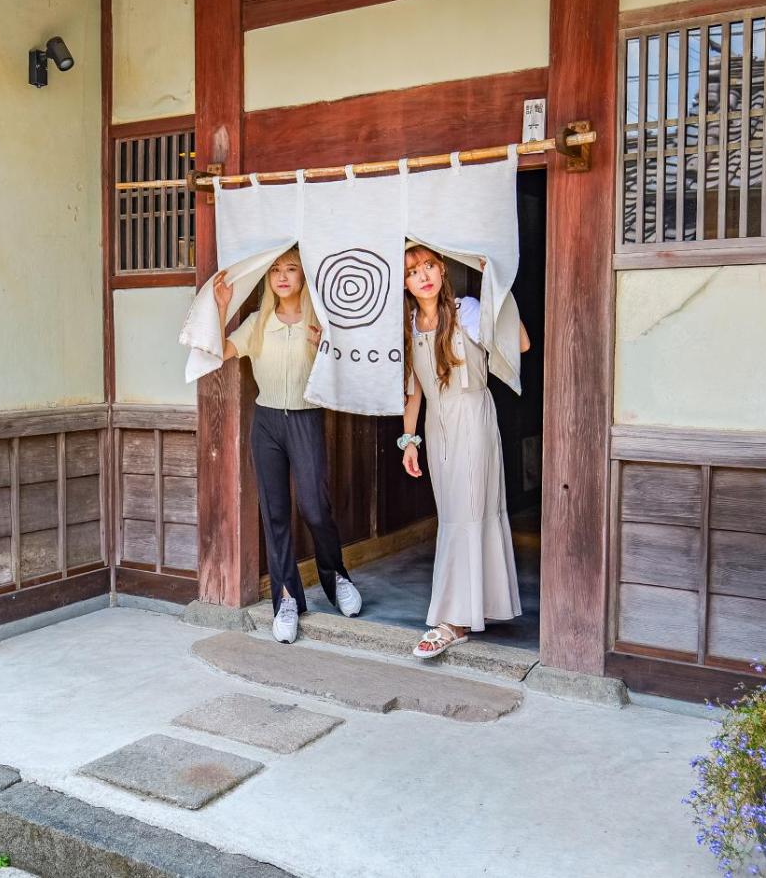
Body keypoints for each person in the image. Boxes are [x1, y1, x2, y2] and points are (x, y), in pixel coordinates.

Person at [213, 248, 362, 643]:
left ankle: (336, 576)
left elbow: (350, 369)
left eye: (291, 269)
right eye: (276, 270)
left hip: (305, 418)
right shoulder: (257, 323)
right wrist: (222, 308)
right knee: (275, 512)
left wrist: (328, 347)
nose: (282, 276)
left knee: (314, 507)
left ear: (303, 276)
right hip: (266, 423)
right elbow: (219, 351)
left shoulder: (320, 323)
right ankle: (286, 598)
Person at [399, 242, 529, 658]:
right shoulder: (408, 325)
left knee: (468, 512)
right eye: (412, 272)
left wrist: (496, 289)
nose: (423, 276)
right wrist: (409, 440)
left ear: (442, 269)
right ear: (404, 283)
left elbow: (520, 344)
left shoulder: (467, 310)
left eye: (428, 265)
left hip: (473, 417)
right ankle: (476, 607)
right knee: (455, 514)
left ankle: (452, 621)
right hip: (437, 427)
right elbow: (414, 392)